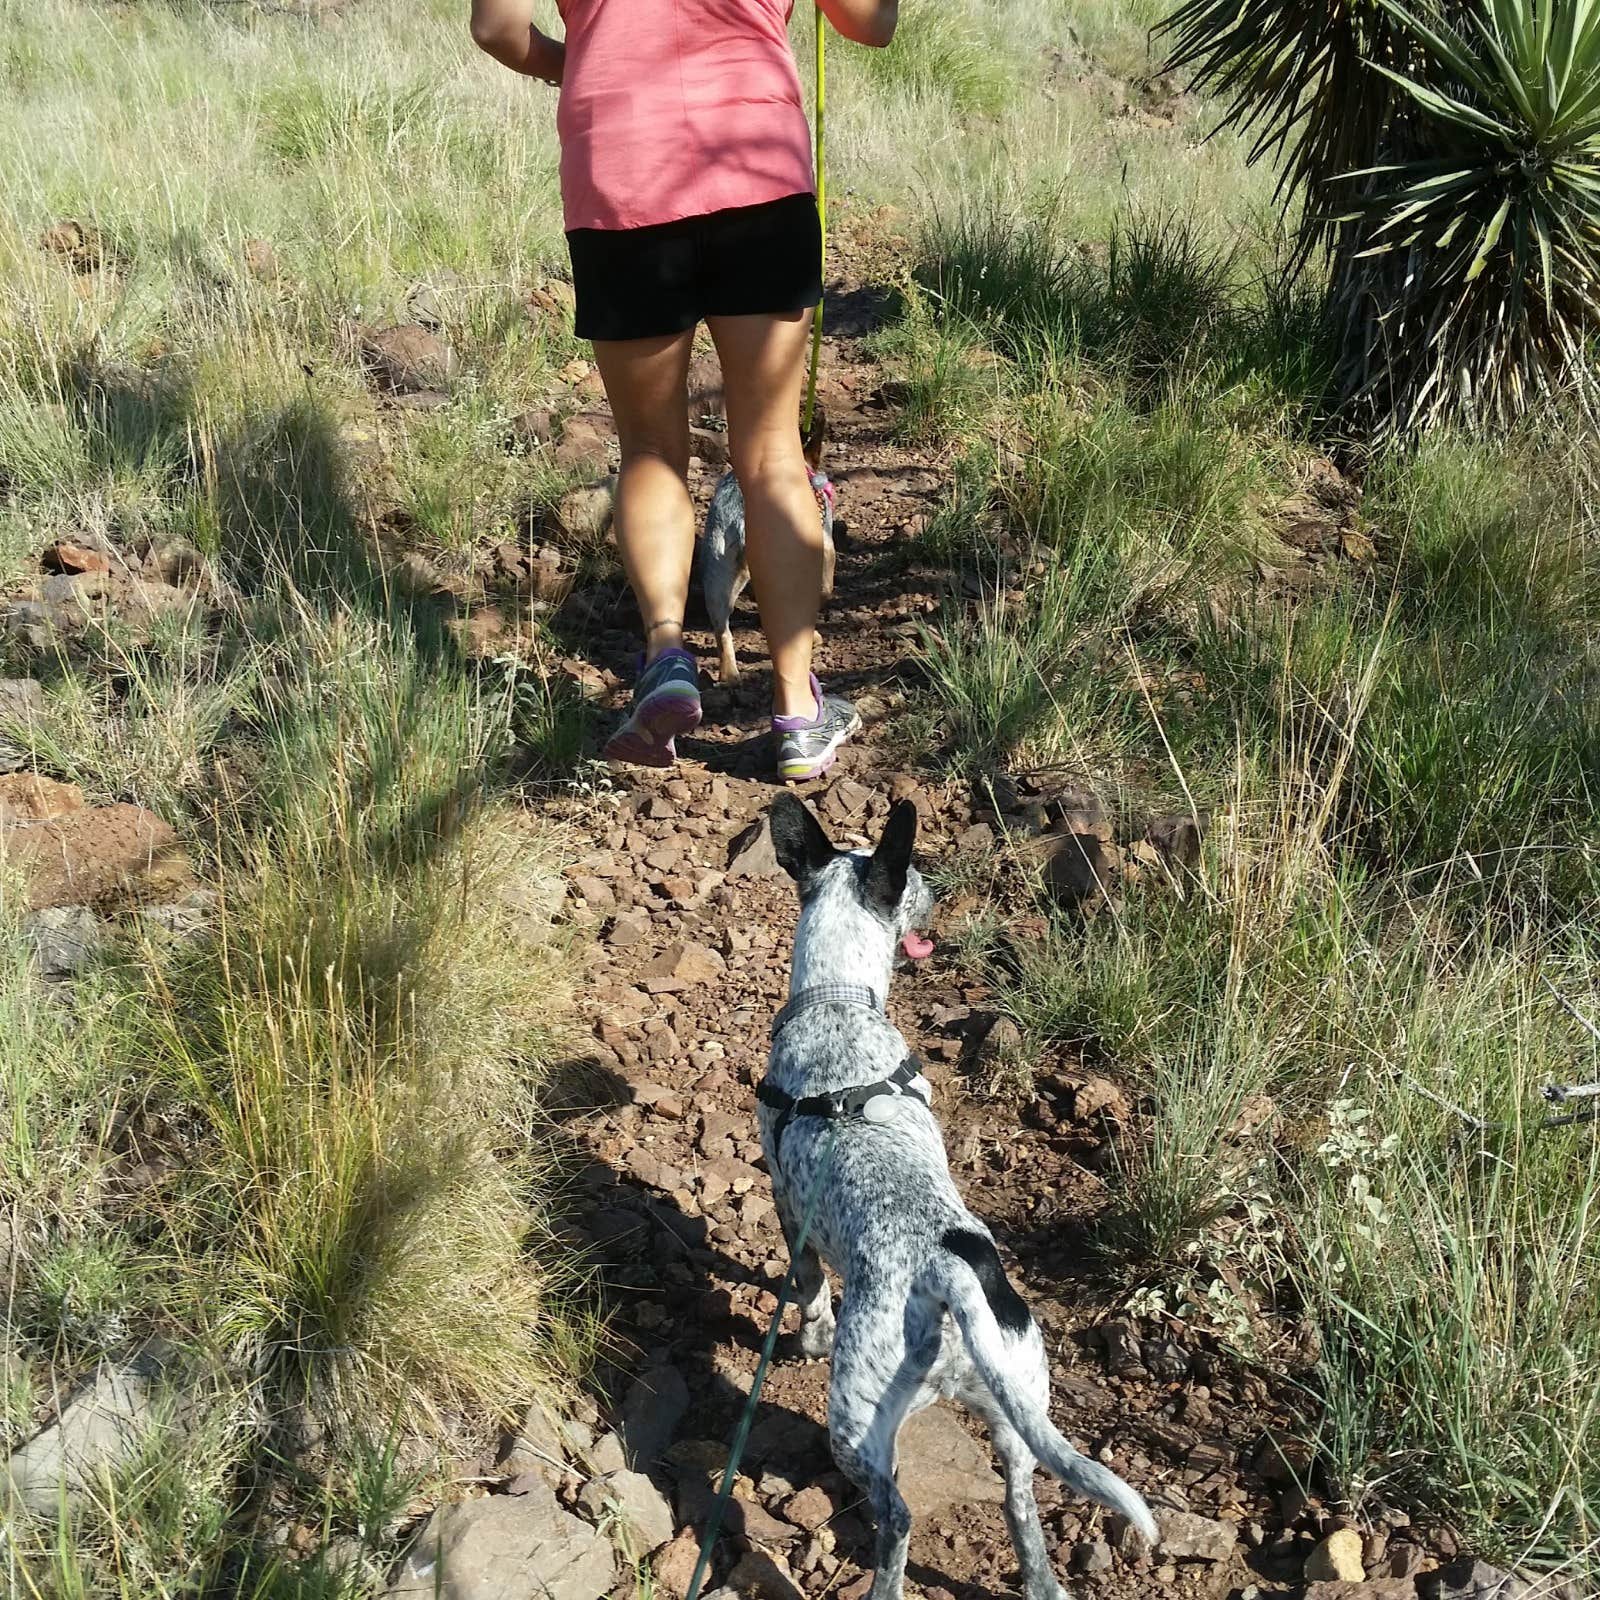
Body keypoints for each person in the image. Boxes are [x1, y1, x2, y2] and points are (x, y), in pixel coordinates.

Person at [470, 0, 899, 781]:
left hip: (620, 169)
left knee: (650, 449)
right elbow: (870, 22)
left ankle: (667, 656)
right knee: (772, 453)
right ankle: (798, 708)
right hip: (755, 162)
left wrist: (587, 59)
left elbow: (497, 27)